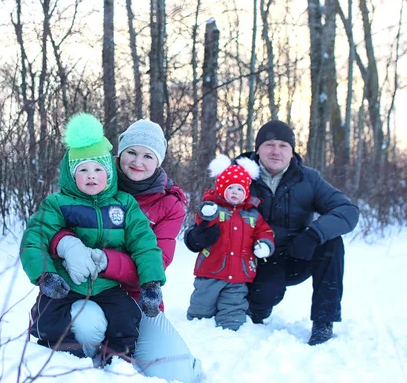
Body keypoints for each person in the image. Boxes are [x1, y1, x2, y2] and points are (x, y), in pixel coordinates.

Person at [49, 120, 202, 382]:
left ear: (159, 161)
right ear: (119, 154)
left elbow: (158, 261)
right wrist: (67, 244)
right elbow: (54, 222)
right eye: (131, 152)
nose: (137, 162)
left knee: (178, 374)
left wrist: (105, 260)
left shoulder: (169, 205)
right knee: (87, 325)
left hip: (136, 299)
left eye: (147, 155)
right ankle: (89, 362)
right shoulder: (94, 176)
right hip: (83, 289)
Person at [20, 113, 166, 361]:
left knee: (126, 319)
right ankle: (62, 358)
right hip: (67, 283)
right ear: (70, 174)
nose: (91, 175)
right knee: (49, 319)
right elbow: (34, 239)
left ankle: (118, 361)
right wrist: (45, 275)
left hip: (108, 285)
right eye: (83, 169)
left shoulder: (124, 204)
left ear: (109, 173)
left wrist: (151, 283)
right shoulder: (58, 204)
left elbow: (145, 244)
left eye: (98, 169)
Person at [227, 120, 358, 345]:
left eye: (283, 145)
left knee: (331, 243)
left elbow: (347, 211)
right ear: (257, 149)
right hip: (253, 261)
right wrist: (196, 236)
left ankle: (323, 322)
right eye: (269, 144)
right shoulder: (238, 177)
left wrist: (313, 235)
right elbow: (212, 209)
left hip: (295, 254)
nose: (276, 151)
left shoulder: (309, 179)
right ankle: (256, 308)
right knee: (263, 299)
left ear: (292, 151)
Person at [185, 154, 274, 330]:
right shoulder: (213, 208)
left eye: (240, 189)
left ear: (246, 192)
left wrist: (264, 244)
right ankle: (198, 323)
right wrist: (207, 212)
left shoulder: (253, 214)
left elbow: (264, 231)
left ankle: (231, 324)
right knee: (203, 301)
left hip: (238, 272)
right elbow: (201, 220)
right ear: (221, 188)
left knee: (234, 303)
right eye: (231, 187)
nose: (235, 192)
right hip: (211, 269)